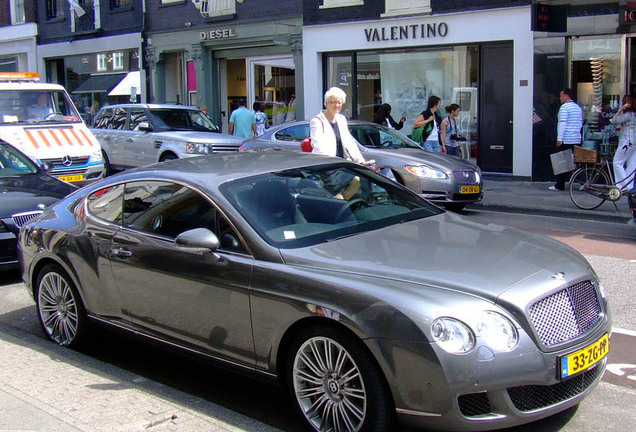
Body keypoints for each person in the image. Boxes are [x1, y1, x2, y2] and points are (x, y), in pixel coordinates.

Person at [311, 87, 373, 199]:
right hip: (327, 165)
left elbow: (349, 142)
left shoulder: (341, 119)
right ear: (326, 103)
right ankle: (338, 203)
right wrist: (332, 162)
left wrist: (360, 161)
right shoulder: (317, 121)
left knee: (363, 179)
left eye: (339, 102)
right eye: (333, 102)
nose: (337, 105)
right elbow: (318, 145)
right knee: (353, 182)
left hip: (342, 163)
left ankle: (340, 202)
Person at [549, 88, 583, 191]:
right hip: (576, 138)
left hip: (566, 139)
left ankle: (560, 185)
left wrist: (559, 139)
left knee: (562, 162)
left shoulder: (564, 108)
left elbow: (562, 123)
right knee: (576, 161)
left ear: (566, 96)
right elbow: (580, 123)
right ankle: (582, 182)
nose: (560, 98)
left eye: (561, 96)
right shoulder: (578, 108)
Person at [609, 95, 636, 191]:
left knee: (617, 162)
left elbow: (613, 120)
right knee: (632, 165)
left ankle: (623, 186)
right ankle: (630, 186)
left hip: (627, 142)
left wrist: (620, 110)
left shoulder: (628, 115)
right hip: (634, 143)